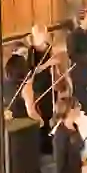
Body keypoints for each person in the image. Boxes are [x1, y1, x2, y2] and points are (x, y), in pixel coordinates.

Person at [27, 25, 56, 154]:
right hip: (38, 85)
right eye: (40, 33)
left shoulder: (49, 47)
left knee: (50, 112)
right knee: (42, 114)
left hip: (50, 82)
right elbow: (33, 71)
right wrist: (48, 64)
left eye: (44, 33)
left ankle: (51, 144)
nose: (43, 35)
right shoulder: (32, 51)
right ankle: (43, 147)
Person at [68, 8, 87, 112]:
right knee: (82, 102)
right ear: (81, 19)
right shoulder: (73, 36)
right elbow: (72, 55)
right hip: (80, 74)